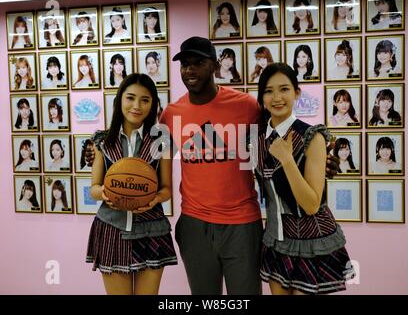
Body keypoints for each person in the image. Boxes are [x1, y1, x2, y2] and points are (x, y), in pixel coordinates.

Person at [84, 37, 339, 295]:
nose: (190, 69)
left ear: (215, 66)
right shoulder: (170, 115)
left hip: (242, 223)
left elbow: (279, 134)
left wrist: (319, 158)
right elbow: (144, 160)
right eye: (185, 64)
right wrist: (94, 154)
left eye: (199, 62)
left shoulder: (247, 106)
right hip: (195, 224)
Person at [255, 62, 354, 295]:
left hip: (312, 241)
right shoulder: (257, 140)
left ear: (297, 93)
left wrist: (288, 160)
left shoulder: (312, 136)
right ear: (261, 98)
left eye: (284, 89)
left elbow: (310, 204)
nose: (277, 97)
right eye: (268, 91)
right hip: (276, 240)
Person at [86, 73, 177, 295]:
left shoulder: (161, 141)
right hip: (112, 230)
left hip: (151, 230)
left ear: (153, 105)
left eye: (145, 100)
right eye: (130, 98)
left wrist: (154, 198)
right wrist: (107, 193)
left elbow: (166, 190)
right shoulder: (102, 141)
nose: (137, 106)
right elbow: (94, 188)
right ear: (119, 101)